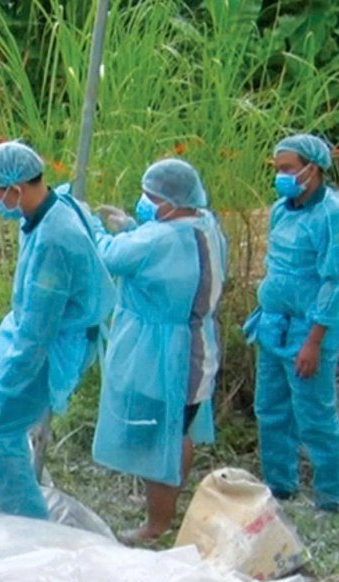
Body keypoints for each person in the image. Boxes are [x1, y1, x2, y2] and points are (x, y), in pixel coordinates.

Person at [0, 141, 115, 519]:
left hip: (54, 343)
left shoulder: (56, 242)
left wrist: (6, 386)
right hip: (24, 329)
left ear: (16, 188)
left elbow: (37, 336)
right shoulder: (50, 205)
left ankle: (28, 524)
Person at [90, 158, 228, 543]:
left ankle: (158, 524)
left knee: (166, 434)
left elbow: (111, 256)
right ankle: (162, 510)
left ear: (171, 201)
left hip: (169, 352)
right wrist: (135, 228)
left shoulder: (159, 239)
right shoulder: (205, 225)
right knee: (176, 429)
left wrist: (94, 228)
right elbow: (162, 253)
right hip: (196, 344)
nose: (144, 203)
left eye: (151, 197)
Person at [243, 134, 339, 511]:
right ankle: (280, 487)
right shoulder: (282, 209)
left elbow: (334, 284)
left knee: (314, 416)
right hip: (273, 324)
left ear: (313, 168)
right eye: (278, 169)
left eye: (288, 169)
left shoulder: (335, 217)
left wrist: (313, 341)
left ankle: (331, 499)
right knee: (271, 409)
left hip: (309, 329)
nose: (281, 176)